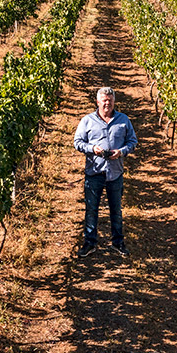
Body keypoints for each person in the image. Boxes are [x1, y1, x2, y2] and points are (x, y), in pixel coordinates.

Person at [73, 87, 138, 258]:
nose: (107, 103)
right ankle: (90, 243)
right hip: (94, 172)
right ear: (98, 102)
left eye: (110, 100)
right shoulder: (87, 120)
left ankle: (118, 243)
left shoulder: (123, 120)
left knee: (116, 210)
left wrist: (122, 152)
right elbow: (77, 142)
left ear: (114, 101)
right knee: (91, 209)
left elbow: (133, 141)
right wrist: (91, 148)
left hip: (115, 172)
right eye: (104, 100)